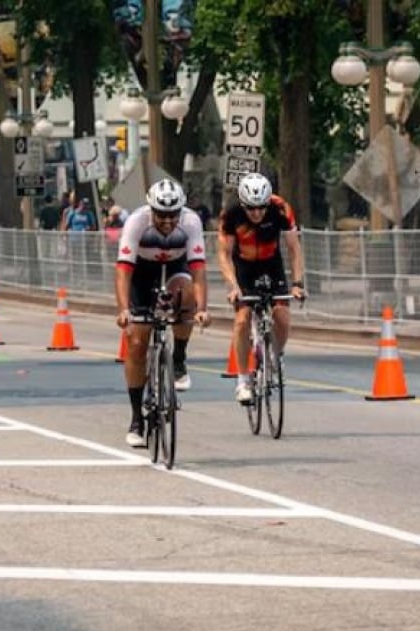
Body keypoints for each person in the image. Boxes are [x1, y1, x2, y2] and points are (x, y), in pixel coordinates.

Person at [115, 179, 210, 448]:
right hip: (142, 274)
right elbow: (123, 271)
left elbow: (199, 270)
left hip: (175, 267)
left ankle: (178, 358)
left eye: (172, 215)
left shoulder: (191, 222)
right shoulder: (136, 222)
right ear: (151, 209)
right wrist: (123, 310)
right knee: (136, 341)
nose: (167, 221)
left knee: (187, 296)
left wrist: (201, 309)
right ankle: (136, 418)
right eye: (161, 215)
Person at [217, 173, 306, 404]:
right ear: (242, 204)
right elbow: (224, 255)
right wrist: (233, 286)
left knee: (283, 318)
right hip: (243, 267)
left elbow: (294, 249)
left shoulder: (280, 208)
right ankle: (243, 379)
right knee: (242, 320)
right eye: (251, 209)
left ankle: (275, 356)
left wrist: (297, 284)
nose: (256, 213)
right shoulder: (231, 212)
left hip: (271, 264)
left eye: (261, 208)